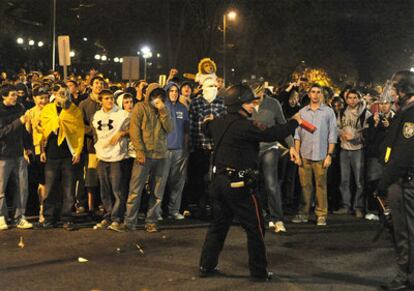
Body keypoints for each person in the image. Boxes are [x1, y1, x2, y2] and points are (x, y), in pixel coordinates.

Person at [199, 84, 302, 281]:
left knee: (218, 226)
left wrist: (208, 122)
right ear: (237, 105)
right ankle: (259, 272)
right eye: (248, 102)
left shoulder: (219, 123)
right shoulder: (244, 126)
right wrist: (294, 123)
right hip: (238, 185)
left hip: (219, 183)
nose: (252, 106)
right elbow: (272, 134)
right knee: (256, 227)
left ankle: (206, 265)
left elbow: (206, 127)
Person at [377, 70, 414, 291]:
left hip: (404, 182)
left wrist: (383, 182)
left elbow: (403, 155)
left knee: (405, 234)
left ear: (403, 90)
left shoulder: (411, 116)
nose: (391, 92)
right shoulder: (404, 112)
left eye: (394, 88)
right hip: (399, 180)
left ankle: (405, 277)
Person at [123, 83, 173, 233]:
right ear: (149, 95)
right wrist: (139, 151)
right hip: (144, 155)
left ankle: (151, 220)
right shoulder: (140, 107)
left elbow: (170, 128)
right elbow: (134, 130)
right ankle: (130, 221)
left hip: (161, 155)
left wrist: (163, 110)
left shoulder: (164, 108)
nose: (157, 98)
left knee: (157, 191)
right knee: (135, 189)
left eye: (159, 95)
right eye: (154, 95)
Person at [252, 85, 300, 233]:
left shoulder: (273, 104)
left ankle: (277, 219)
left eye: (258, 95)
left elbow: (283, 126)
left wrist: (292, 147)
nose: (255, 98)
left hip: (269, 148)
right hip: (251, 149)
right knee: (252, 184)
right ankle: (258, 215)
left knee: (271, 182)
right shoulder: (245, 104)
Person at [39, 83, 84, 230]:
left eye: (65, 93)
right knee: (50, 188)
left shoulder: (74, 110)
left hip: (68, 155)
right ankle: (49, 218)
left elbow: (79, 132)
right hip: (51, 154)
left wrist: (77, 151)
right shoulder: (48, 109)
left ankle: (67, 218)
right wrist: (42, 150)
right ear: (55, 94)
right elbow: (42, 130)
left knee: (68, 189)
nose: (63, 95)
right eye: (60, 93)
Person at [291, 84, 337, 226]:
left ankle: (321, 214)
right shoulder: (302, 112)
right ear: (309, 94)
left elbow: (332, 135)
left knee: (321, 186)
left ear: (322, 95)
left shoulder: (329, 112)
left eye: (318, 92)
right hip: (304, 155)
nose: (316, 95)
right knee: (305, 186)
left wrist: (329, 154)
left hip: (321, 155)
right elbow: (297, 135)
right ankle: (304, 213)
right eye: (313, 92)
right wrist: (297, 154)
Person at [188, 78, 226, 219]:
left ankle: (215, 209)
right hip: (200, 146)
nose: (213, 88)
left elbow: (224, 123)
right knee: (201, 179)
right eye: (210, 86)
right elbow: (191, 125)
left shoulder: (222, 103)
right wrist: (191, 145)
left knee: (215, 179)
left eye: (215, 86)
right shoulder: (196, 103)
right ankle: (201, 207)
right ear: (203, 87)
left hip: (217, 147)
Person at [92, 90, 130, 232]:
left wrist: (122, 133)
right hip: (102, 156)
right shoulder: (97, 115)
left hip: (116, 156)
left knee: (117, 190)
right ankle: (108, 215)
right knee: (105, 189)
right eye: (106, 98)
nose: (110, 101)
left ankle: (117, 218)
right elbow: (97, 135)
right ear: (100, 100)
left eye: (111, 98)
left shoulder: (122, 114)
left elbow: (135, 129)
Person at [0, 84, 33, 230]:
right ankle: (1, 217)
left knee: (22, 187)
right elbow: (2, 132)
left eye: (16, 95)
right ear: (4, 96)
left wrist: (28, 147)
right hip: (3, 155)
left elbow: (23, 131)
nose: (16, 97)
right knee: (1, 188)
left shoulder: (20, 107)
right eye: (12, 95)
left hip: (19, 153)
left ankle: (20, 216)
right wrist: (19, 121)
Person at [334, 89, 371, 217]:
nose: (352, 100)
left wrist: (355, 136)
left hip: (358, 150)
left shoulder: (365, 114)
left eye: (355, 97)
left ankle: (358, 207)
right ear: (346, 99)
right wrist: (342, 134)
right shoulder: (342, 112)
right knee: (344, 180)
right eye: (350, 97)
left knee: (359, 181)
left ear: (359, 99)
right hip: (344, 149)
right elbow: (337, 127)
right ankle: (346, 205)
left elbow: (368, 132)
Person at [158, 83, 190, 220]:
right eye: (171, 91)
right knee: (160, 184)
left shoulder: (183, 108)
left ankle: (173, 211)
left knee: (177, 183)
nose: (174, 93)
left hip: (179, 151)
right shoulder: (160, 107)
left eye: (176, 91)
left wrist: (186, 148)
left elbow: (187, 130)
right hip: (163, 151)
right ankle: (156, 212)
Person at [25, 86, 49, 223]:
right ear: (34, 98)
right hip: (35, 151)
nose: (44, 101)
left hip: (49, 150)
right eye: (41, 98)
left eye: (46, 97)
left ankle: (44, 209)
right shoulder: (30, 113)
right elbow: (26, 134)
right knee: (39, 182)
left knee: (46, 182)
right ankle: (40, 209)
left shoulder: (52, 111)